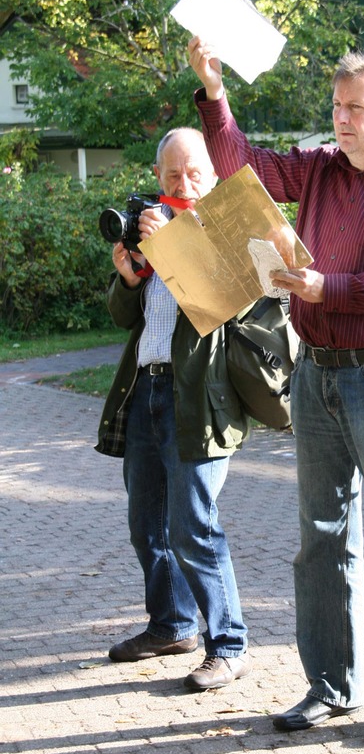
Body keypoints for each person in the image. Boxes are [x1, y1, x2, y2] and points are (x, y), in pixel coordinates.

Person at [188, 38, 364, 745]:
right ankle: (332, 686)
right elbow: (242, 169)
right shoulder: (321, 169)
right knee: (321, 540)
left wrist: (327, 287)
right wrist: (214, 92)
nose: (342, 118)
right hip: (316, 375)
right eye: (337, 106)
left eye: (356, 107)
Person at [96, 127, 252, 692]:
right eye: (172, 174)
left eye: (193, 173)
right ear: (158, 174)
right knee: (147, 527)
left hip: (199, 398)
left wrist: (173, 247)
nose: (182, 183)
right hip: (146, 391)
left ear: (213, 175)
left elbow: (220, 305)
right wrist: (127, 275)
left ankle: (228, 645)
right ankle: (171, 625)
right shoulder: (150, 222)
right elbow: (123, 316)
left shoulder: (231, 226)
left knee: (194, 527)